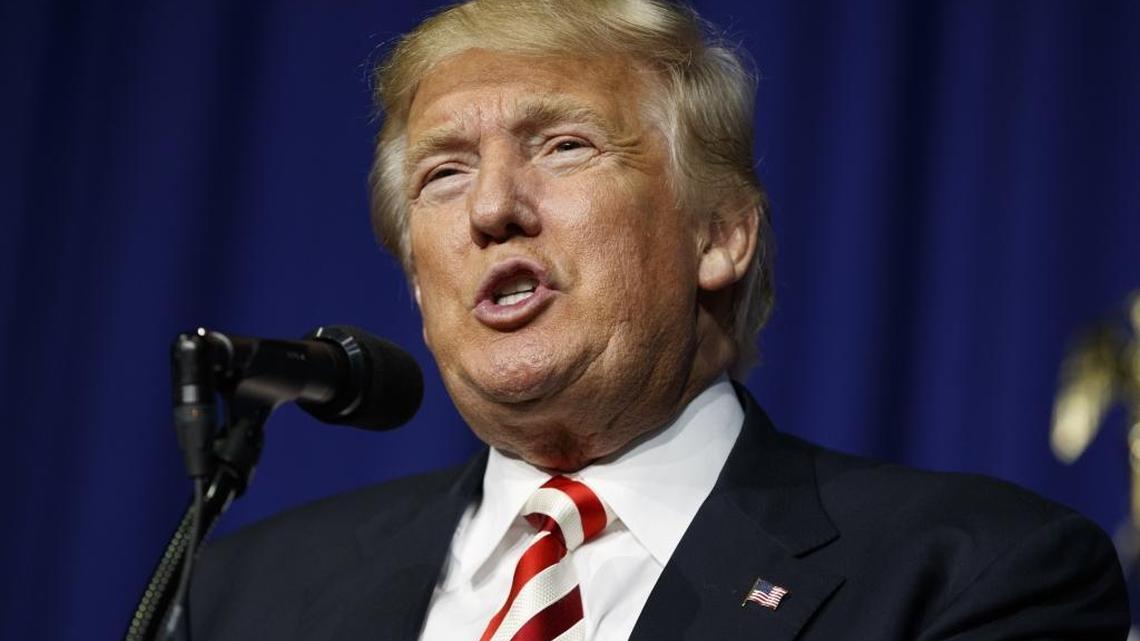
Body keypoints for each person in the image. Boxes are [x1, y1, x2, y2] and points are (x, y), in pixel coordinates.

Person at [189, 1, 1130, 639]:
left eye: (563, 146)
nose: (491, 209)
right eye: (444, 173)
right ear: (417, 282)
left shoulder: (970, 574)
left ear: (719, 235)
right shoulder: (246, 599)